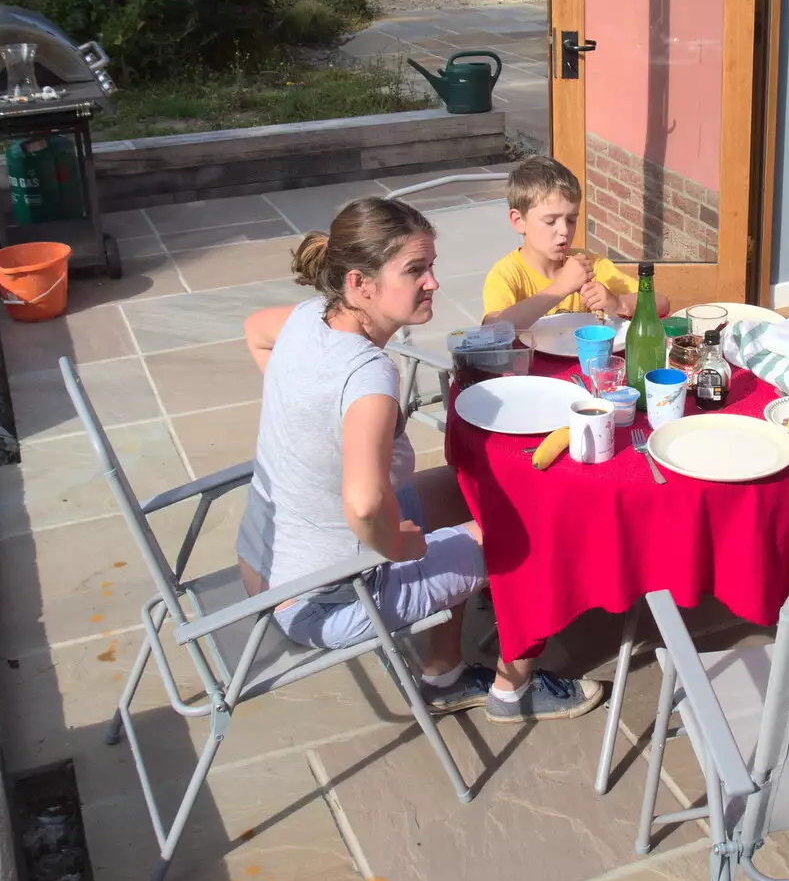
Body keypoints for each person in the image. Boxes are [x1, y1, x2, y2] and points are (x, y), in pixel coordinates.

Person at [234, 195, 604, 723]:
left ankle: (444, 671)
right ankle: (512, 691)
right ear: (360, 284)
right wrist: (399, 545)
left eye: (430, 265)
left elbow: (254, 330)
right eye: (415, 271)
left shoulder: (305, 319)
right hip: (327, 601)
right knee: (538, 534)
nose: (432, 281)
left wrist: (308, 418)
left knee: (464, 489)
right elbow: (363, 505)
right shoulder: (367, 376)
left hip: (265, 566)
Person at [481, 156, 672, 328]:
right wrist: (561, 287)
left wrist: (618, 303)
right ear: (519, 221)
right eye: (550, 221)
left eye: (571, 220)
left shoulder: (590, 265)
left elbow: (661, 302)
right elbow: (493, 329)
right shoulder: (507, 274)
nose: (564, 230)